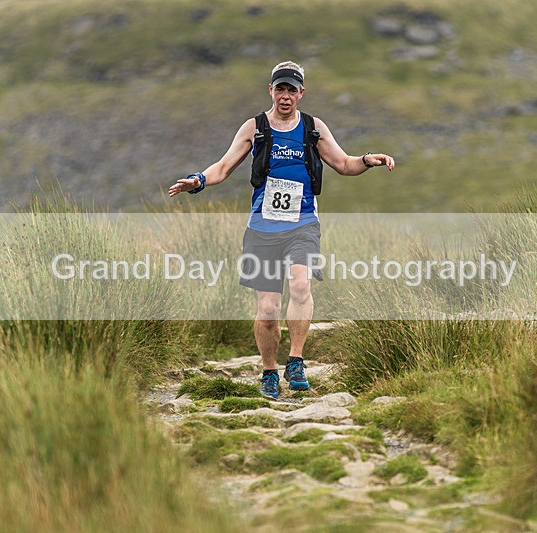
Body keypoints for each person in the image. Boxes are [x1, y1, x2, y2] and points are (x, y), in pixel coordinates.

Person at [169, 61, 395, 399]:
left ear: (301, 93)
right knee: (269, 309)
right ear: (271, 91)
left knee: (301, 286)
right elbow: (224, 166)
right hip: (262, 229)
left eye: (292, 89)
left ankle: (297, 361)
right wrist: (198, 180)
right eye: (280, 89)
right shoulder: (255, 127)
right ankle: (269, 371)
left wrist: (367, 160)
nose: (285, 95)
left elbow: (343, 164)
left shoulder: (313, 127)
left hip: (302, 225)